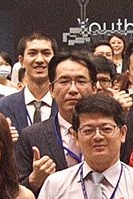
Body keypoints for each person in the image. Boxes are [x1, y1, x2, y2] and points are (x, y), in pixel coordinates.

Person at [17, 54, 100, 190]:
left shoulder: (109, 132)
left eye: (81, 81)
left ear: (94, 88)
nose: (73, 90)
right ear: (51, 90)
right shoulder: (32, 136)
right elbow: (15, 192)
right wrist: (34, 181)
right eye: (64, 82)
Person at [0, 32, 58, 130]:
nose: (39, 60)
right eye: (32, 53)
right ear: (21, 61)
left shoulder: (67, 106)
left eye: (46, 53)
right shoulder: (1, 108)